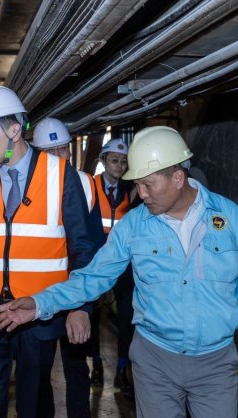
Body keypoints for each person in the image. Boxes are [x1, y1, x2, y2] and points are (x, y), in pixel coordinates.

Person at [0, 126, 238, 418]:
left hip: (214, 366)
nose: (141, 194)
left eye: (148, 185)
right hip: (155, 362)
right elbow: (92, 278)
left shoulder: (228, 218)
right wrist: (40, 303)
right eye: (138, 185)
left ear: (178, 178)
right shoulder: (134, 225)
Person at [0, 86, 97, 418]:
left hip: (39, 314)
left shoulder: (60, 175)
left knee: (34, 405)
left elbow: (82, 249)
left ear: (14, 130)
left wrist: (80, 307)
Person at [33, 117, 106, 418]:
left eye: (62, 149)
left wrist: (84, 303)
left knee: (76, 368)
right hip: (42, 295)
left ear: (70, 150)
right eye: (49, 152)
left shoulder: (87, 184)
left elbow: (93, 245)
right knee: (39, 371)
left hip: (75, 292)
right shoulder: (27, 188)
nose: (58, 157)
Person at [93, 138, 136, 395]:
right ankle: (96, 364)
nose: (119, 166)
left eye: (123, 162)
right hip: (98, 261)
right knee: (92, 315)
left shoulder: (133, 190)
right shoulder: (90, 187)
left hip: (124, 262)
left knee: (127, 315)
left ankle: (121, 369)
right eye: (114, 161)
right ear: (103, 161)